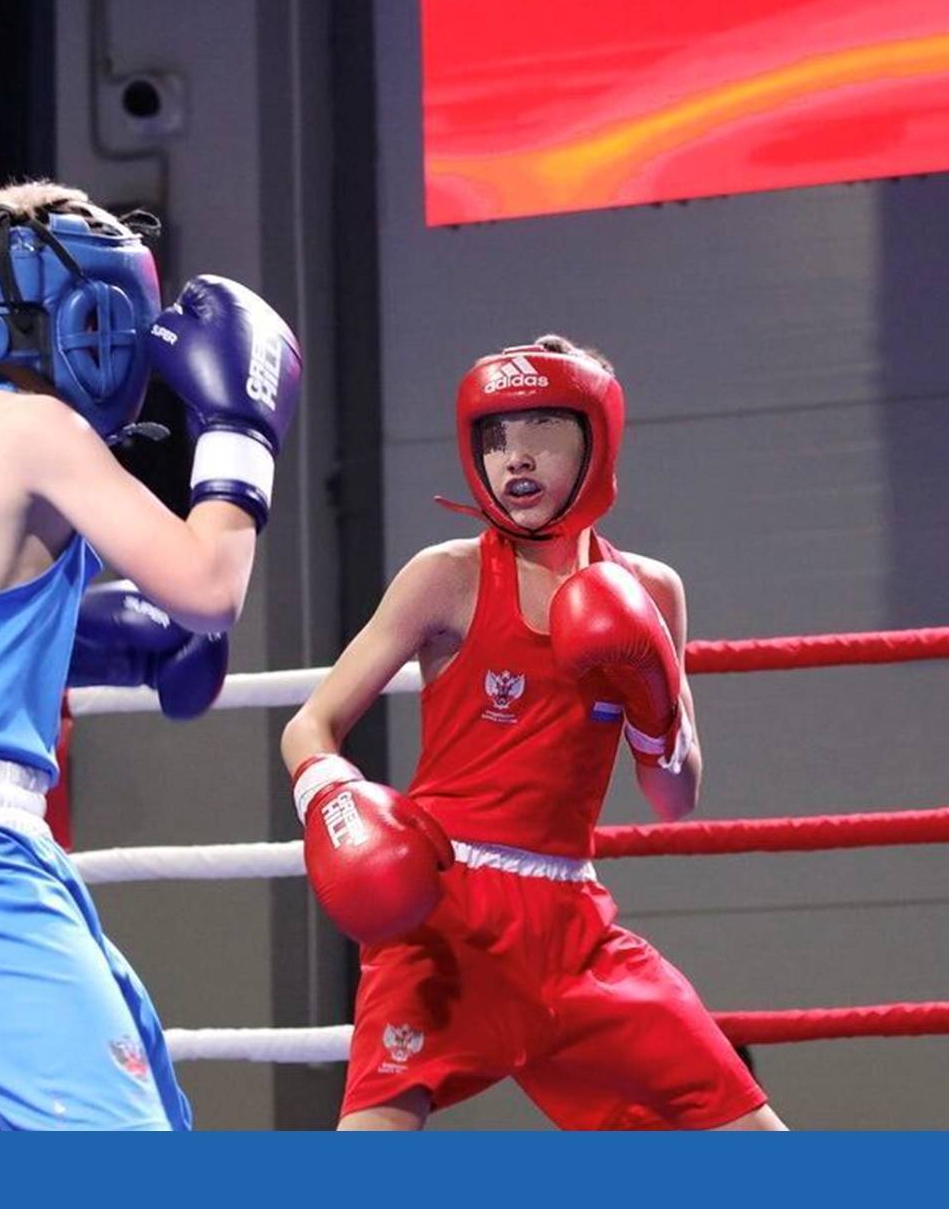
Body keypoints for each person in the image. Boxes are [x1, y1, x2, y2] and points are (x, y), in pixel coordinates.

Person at [0, 180, 300, 1130]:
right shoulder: (41, 429)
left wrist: (66, 637)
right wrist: (239, 435)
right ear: (87, 316)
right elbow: (210, 587)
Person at [281, 336, 785, 1130]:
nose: (514, 456)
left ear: (597, 441)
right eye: (494, 437)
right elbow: (310, 723)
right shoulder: (446, 575)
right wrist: (337, 805)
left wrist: (654, 707)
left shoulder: (651, 590)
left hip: (575, 930)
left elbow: (672, 798)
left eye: (543, 430)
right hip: (445, 922)